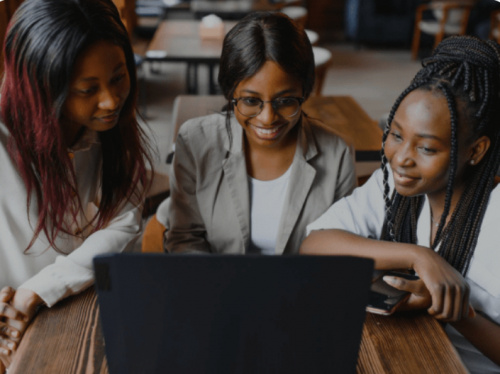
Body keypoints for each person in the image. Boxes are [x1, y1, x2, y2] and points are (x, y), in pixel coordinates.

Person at [301, 36, 500, 373]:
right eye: (395, 135)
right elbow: (315, 244)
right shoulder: (395, 184)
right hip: (406, 352)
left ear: (476, 150)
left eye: (426, 148)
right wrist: (419, 256)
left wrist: (460, 313)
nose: (402, 158)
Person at [0, 0, 152, 370]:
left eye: (118, 77)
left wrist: (36, 291)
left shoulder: (113, 133)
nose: (111, 100)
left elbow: (123, 226)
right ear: (42, 88)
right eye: (87, 89)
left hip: (75, 311)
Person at [164, 12, 356, 255]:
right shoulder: (195, 141)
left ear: (305, 91)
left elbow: (343, 249)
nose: (267, 118)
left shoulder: (336, 154)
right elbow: (184, 239)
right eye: (250, 101)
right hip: (215, 288)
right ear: (229, 91)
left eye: (285, 100)